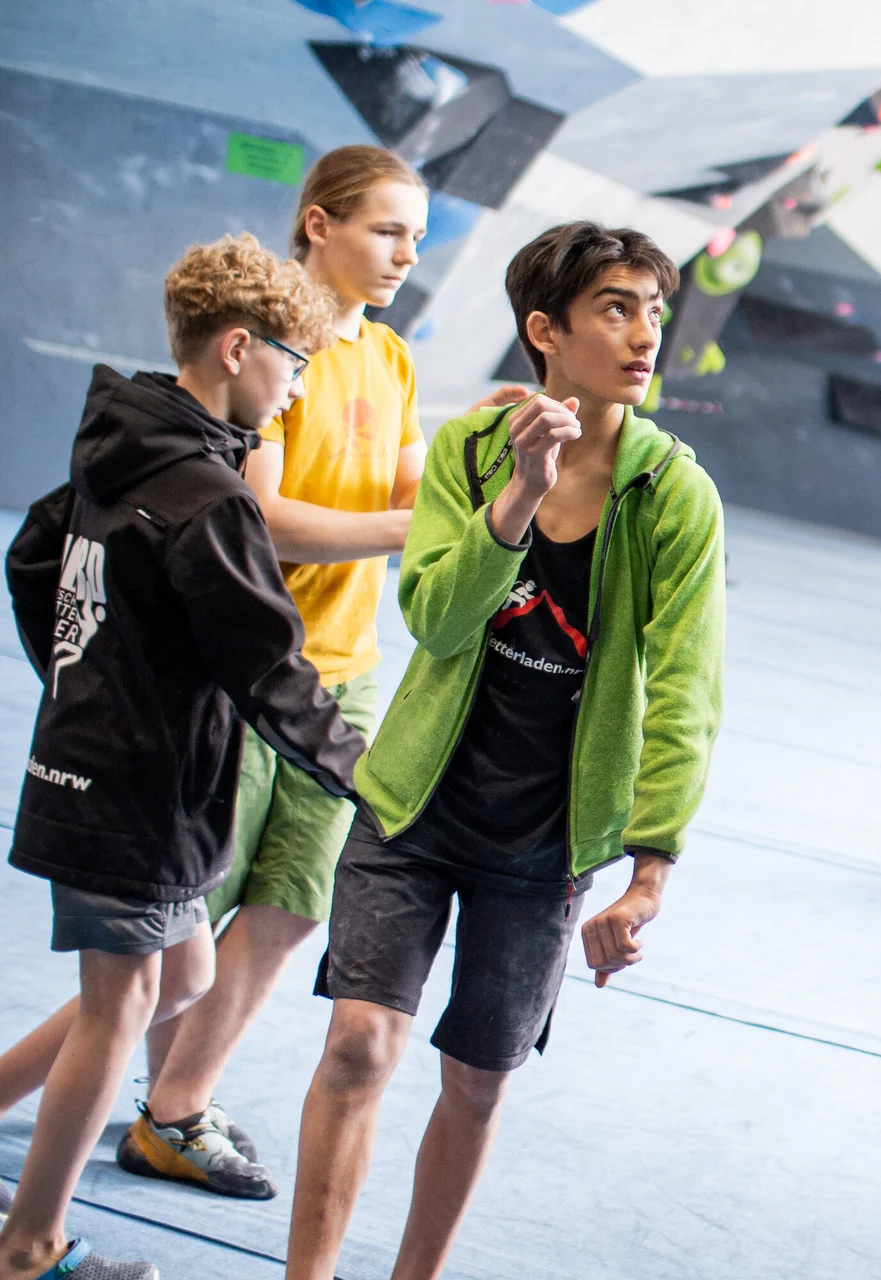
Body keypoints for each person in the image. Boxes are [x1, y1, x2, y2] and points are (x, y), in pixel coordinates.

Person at [282, 222, 726, 1280]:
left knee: (476, 1079)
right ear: (547, 332)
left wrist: (649, 870)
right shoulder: (472, 456)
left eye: (653, 308)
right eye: (617, 307)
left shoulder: (674, 497)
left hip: (544, 842)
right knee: (359, 1043)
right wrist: (519, 491)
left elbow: (687, 691)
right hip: (414, 806)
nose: (644, 331)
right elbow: (435, 616)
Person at [107, 145, 524, 1202]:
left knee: (291, 906)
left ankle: (173, 1109)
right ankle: (99, 1084)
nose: (405, 254)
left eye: (417, 238)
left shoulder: (389, 357)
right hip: (245, 673)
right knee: (178, 922)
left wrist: (496, 448)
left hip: (350, 669)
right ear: (319, 224)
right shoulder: (278, 354)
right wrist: (416, 526)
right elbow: (264, 519)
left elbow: (404, 477)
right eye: (387, 230)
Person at [0, 235, 366, 1280]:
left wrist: (82, 685)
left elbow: (35, 559)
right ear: (240, 347)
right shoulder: (207, 495)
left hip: (101, 765)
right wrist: (374, 781)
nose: (296, 392)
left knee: (185, 971)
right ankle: (29, 1247)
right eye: (294, 365)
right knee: (119, 1009)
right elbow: (269, 667)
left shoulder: (119, 445)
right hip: (136, 789)